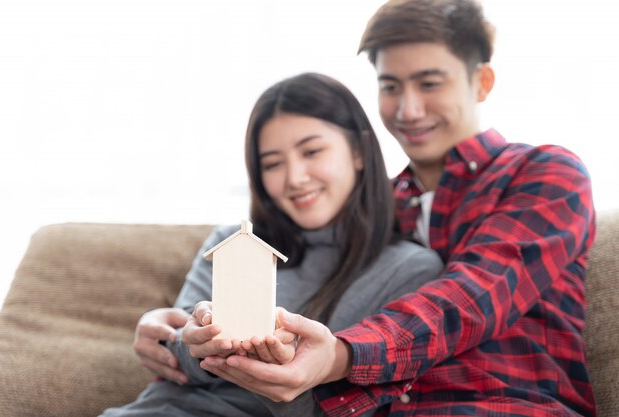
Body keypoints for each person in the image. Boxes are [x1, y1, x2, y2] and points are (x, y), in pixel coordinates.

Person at [196, 1, 598, 416]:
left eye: (429, 84)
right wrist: (168, 327)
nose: (408, 110)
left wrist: (339, 355)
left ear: (482, 82)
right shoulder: (374, 209)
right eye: (390, 87)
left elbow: (470, 298)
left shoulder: (545, 175)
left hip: (505, 406)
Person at [99, 72, 443, 417]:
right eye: (273, 164)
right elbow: (177, 362)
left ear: (359, 152)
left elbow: (343, 406)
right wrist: (192, 344)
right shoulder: (231, 243)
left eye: (312, 151)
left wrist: (274, 374)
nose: (294, 178)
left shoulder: (410, 270)